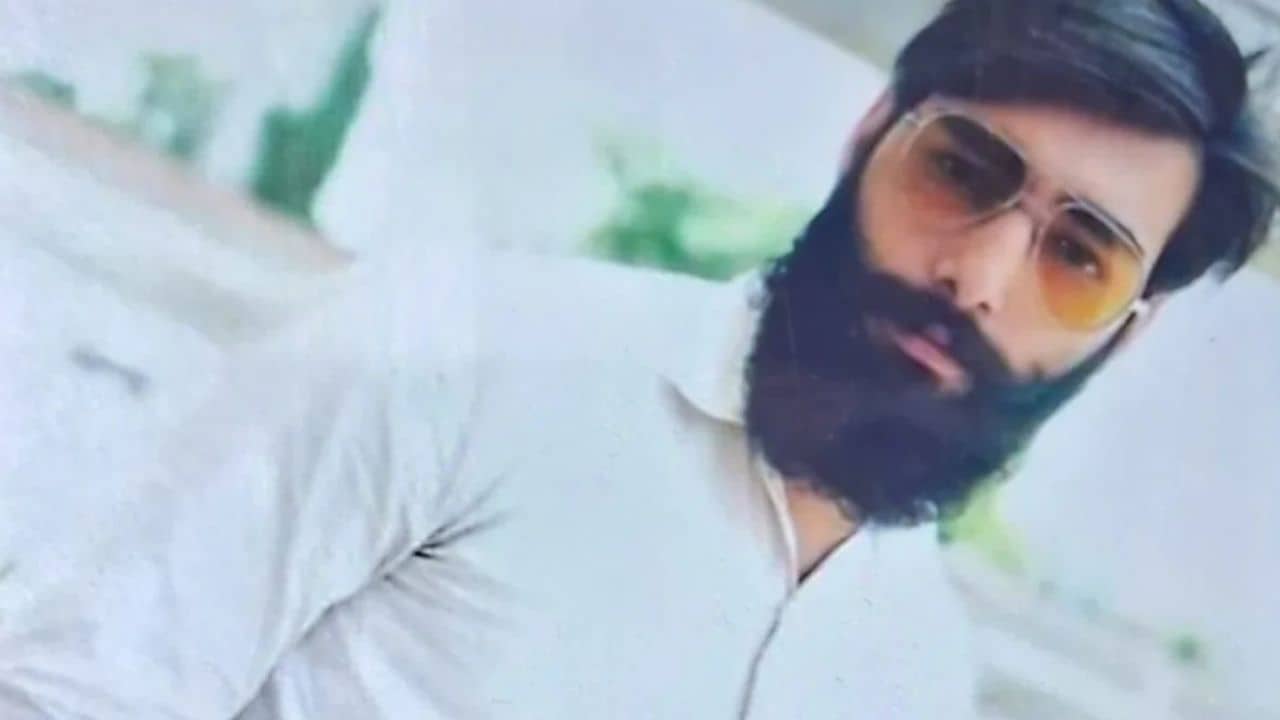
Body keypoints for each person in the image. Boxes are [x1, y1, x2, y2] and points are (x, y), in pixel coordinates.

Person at [1, 1, 1275, 718]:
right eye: (961, 168)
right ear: (869, 133)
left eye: (1079, 256)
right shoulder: (467, 350)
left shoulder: (912, 674)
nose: (979, 275)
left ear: (1125, 327)